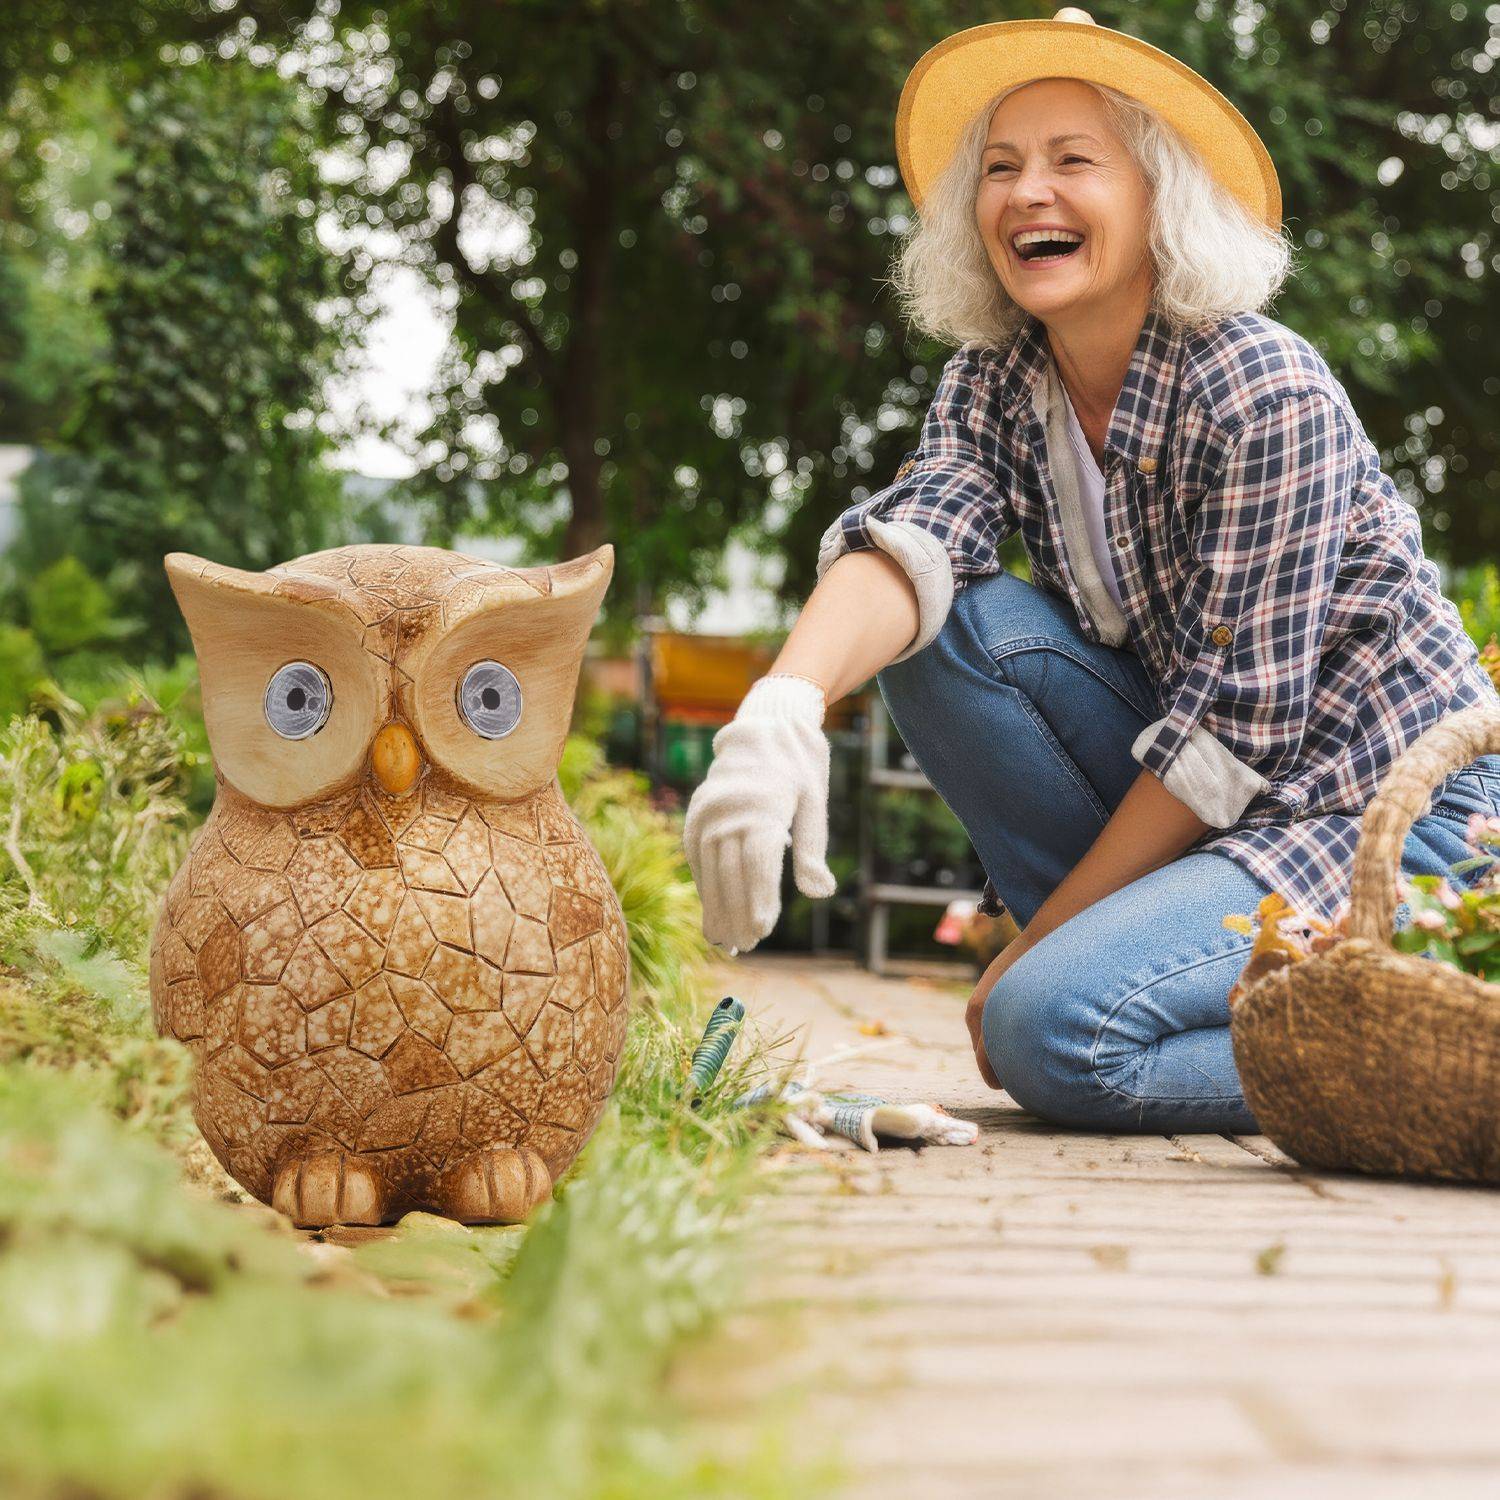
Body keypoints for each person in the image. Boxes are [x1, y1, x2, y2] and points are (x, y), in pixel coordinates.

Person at [682, 8, 1500, 1133]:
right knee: (947, 625)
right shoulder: (998, 379)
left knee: (1051, 1036)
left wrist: (1039, 943)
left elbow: (1234, 739)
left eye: (1074, 161)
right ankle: (1139, 971)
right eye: (1001, 168)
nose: (1029, 193)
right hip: (1224, 805)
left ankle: (1426, 1054)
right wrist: (779, 710)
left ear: (1161, 199)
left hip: (1386, 820)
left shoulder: (1262, 392)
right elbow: (914, 538)